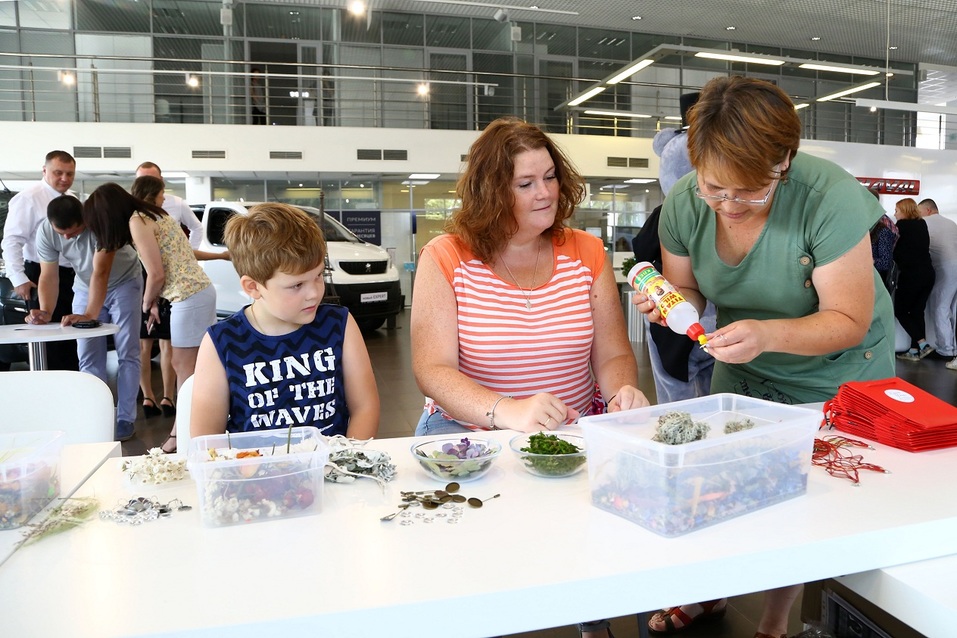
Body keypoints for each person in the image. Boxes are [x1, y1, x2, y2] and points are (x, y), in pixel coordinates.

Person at [634, 76, 895, 638]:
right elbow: (692, 295)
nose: (729, 205)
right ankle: (708, 593)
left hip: (837, 366)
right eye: (713, 188)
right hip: (746, 356)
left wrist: (767, 334)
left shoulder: (829, 198)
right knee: (724, 473)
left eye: (750, 190)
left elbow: (847, 321)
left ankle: (777, 620)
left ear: (784, 161)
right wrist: (669, 307)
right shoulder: (685, 204)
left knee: (793, 495)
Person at [190, 203, 379, 439]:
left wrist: (347, 461)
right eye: (297, 285)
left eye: (318, 275)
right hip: (254, 470)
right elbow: (207, 436)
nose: (314, 293)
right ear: (254, 287)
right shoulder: (223, 341)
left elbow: (365, 407)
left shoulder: (338, 324)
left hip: (332, 468)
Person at [83, 182, 220, 453]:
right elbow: (170, 261)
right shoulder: (151, 214)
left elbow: (156, 273)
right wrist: (155, 301)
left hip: (189, 296)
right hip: (193, 293)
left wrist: (147, 303)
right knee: (189, 369)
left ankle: (183, 435)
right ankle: (187, 433)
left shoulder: (137, 221)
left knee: (187, 370)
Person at [27, 195, 143, 441]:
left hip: (124, 282)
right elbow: (49, 274)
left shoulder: (102, 224)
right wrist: (45, 310)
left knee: (127, 352)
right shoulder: (46, 231)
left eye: (73, 232)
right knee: (88, 354)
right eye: (62, 233)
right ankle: (95, 414)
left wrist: (89, 314)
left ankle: (125, 419)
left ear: (85, 220)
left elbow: (101, 272)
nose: (67, 238)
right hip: (84, 285)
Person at [633, 91, 716, 406]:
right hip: (698, 318)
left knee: (676, 399)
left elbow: (642, 249)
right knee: (715, 401)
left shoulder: (665, 211)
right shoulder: (677, 212)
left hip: (680, 324)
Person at [132, 162, 203, 419]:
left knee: (169, 347)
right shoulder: (141, 218)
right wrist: (148, 301)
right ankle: (150, 396)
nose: (162, 197)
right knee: (147, 344)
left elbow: (191, 237)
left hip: (168, 283)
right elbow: (156, 270)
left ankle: (169, 399)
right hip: (152, 280)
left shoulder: (166, 211)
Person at [1, 150, 80, 370]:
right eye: (58, 173)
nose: (64, 178)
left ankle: (71, 390)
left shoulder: (71, 199)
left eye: (70, 174)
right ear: (44, 170)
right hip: (39, 274)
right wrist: (19, 278)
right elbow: (11, 241)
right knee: (47, 342)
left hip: (69, 276)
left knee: (70, 340)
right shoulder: (29, 197)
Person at [893, 198, 935, 361]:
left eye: (897, 210)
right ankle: (914, 350)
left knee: (900, 310)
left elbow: (895, 250)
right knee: (917, 311)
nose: (895, 214)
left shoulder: (901, 227)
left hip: (912, 275)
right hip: (928, 274)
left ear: (904, 211)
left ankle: (923, 344)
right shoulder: (921, 224)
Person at [917, 198, 957, 367]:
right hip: (954, 268)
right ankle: (953, 349)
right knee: (952, 310)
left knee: (940, 308)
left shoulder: (925, 223)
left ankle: (946, 350)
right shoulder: (951, 223)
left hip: (944, 270)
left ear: (927, 210)